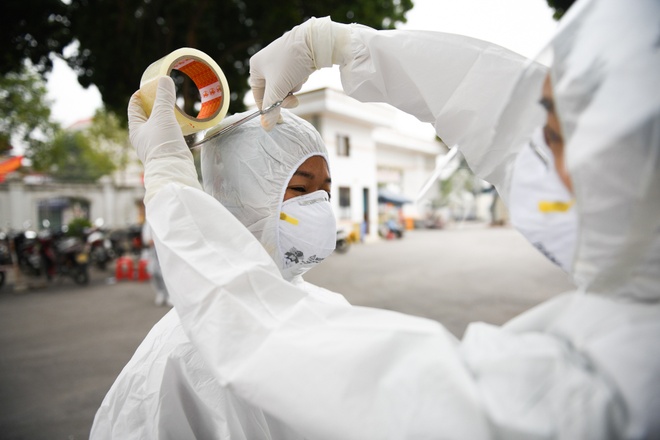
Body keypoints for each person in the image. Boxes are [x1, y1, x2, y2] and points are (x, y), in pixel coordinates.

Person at [95, 0, 659, 438]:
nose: (541, 159)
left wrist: (171, 186)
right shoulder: (179, 360)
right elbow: (514, 117)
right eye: (298, 189)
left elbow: (292, 354)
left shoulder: (613, 382)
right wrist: (342, 47)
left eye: (557, 139)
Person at [91, 102, 349, 438]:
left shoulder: (330, 310)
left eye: (325, 192)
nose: (318, 206)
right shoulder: (181, 355)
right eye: (299, 189)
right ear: (238, 196)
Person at [141, 220, 171, 306]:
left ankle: (169, 295)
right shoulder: (149, 222)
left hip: (165, 249)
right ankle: (160, 292)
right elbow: (147, 239)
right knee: (153, 272)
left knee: (165, 273)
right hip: (153, 251)